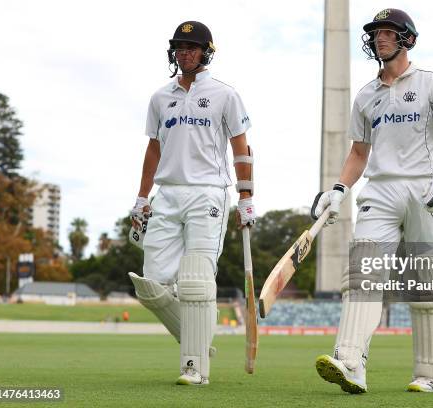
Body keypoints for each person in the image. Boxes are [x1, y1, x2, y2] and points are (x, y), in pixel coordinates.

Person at [311, 8, 433, 393]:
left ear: (407, 39)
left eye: (387, 32)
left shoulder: (431, 83)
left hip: (422, 191)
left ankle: (430, 376)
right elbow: (358, 154)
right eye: (376, 32)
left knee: (426, 284)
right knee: (362, 273)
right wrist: (338, 190)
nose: (379, 38)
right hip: (378, 192)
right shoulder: (366, 95)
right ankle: (350, 362)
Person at [127, 20, 255, 386]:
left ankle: (194, 367)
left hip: (208, 193)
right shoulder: (159, 97)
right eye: (180, 49)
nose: (184, 54)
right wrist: (141, 197)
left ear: (205, 52)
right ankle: (197, 339)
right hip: (166, 195)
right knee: (151, 282)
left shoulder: (224, 94)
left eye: (191, 48)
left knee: (196, 282)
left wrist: (246, 197)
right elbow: (153, 148)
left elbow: (241, 149)